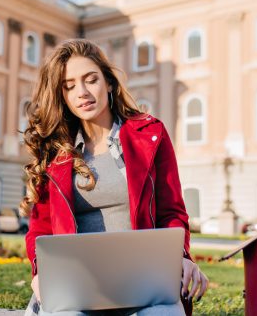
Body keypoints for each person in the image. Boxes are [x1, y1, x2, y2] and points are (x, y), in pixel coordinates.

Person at [20, 39, 208, 316]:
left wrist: (181, 258)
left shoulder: (151, 135)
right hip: (76, 290)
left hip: (145, 287)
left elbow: (171, 212)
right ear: (62, 96)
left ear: (108, 83)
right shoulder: (54, 151)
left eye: (91, 80)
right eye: (69, 86)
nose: (82, 92)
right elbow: (40, 229)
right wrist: (40, 273)